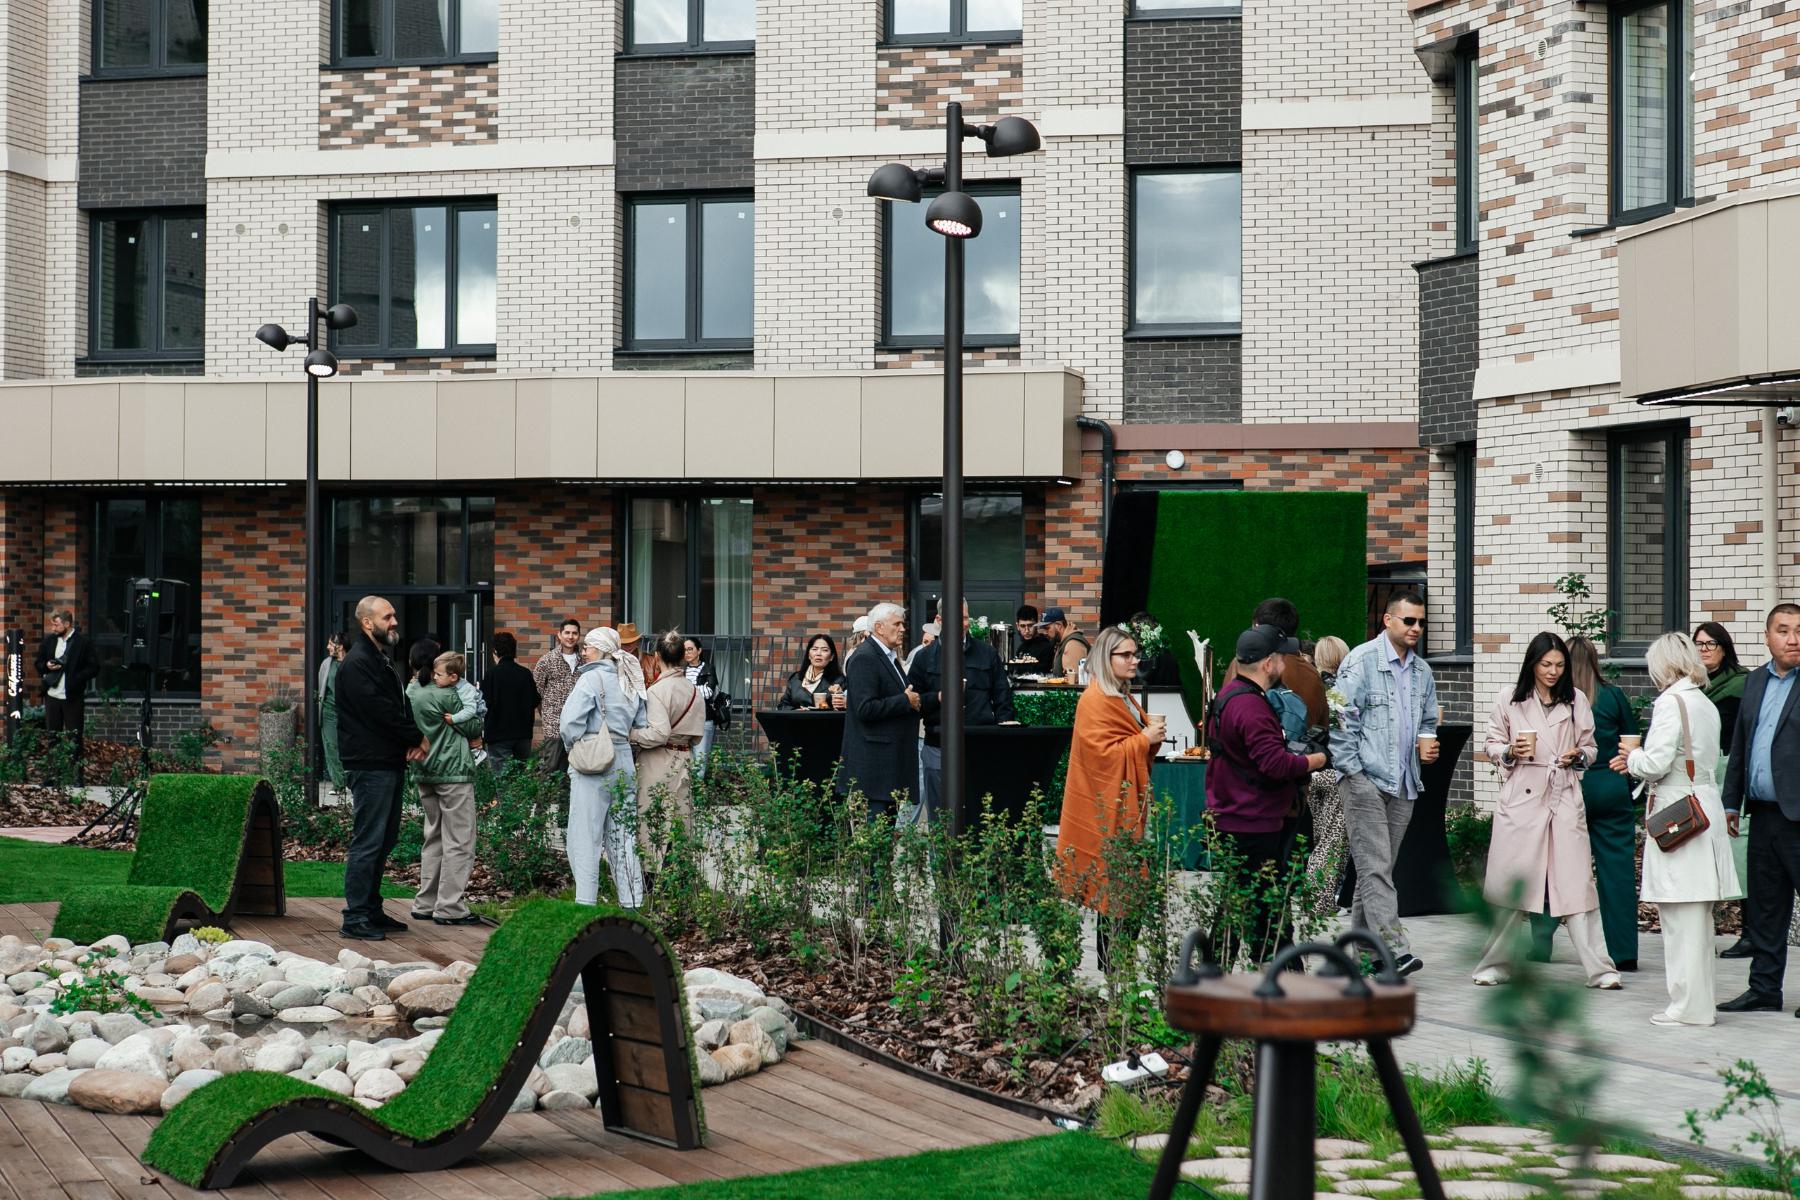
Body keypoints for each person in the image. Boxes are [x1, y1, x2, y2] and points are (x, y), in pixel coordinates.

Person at [1472, 631, 1620, 990]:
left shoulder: (1576, 699)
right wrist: (1510, 751)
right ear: (1532, 664)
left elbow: (1591, 747)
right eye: (1546, 664)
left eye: (1559, 665)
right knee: (1511, 885)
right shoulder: (1510, 698)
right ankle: (1495, 964)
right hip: (1522, 798)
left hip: (1563, 795)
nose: (1553, 672)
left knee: (1577, 884)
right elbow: (1491, 743)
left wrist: (1578, 755)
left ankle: (1601, 970)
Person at [1612, 633, 1737, 1025]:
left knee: (1680, 919)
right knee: (1697, 920)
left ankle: (1687, 1007)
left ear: (1665, 664)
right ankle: (1697, 1004)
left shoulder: (1671, 701)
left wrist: (1632, 756)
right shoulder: (1703, 701)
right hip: (1705, 806)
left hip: (1679, 813)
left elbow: (1656, 764)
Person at [1205, 624, 1329, 966]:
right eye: (1282, 657)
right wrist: (1316, 759)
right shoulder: (1252, 706)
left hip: (1235, 813)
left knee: (1245, 902)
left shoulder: (1228, 695)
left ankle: (1222, 973)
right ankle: (1277, 974)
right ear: (1268, 663)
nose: (1286, 663)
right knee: (1265, 904)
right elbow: (1274, 764)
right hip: (1253, 819)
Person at [1329, 591, 1438, 973]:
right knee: (1375, 867)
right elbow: (1339, 718)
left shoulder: (1423, 672)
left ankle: (1364, 957)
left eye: (1421, 622)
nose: (1416, 628)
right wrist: (1354, 774)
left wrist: (1427, 743)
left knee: (1375, 871)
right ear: (1388, 620)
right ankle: (1395, 949)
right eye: (1409, 620)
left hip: (1405, 782)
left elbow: (1428, 720)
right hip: (1365, 780)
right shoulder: (1360, 661)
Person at [1055, 624, 1164, 970]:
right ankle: (1112, 966)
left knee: (1127, 882)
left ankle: (1118, 964)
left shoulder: (1120, 695)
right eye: (1126, 655)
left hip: (1125, 802)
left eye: (1135, 654)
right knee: (1115, 883)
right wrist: (1144, 739)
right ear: (1107, 657)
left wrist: (1146, 739)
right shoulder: (1095, 700)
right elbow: (1103, 756)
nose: (1134, 660)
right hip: (1106, 806)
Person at [1529, 636, 1640, 970]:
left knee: (1552, 867)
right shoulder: (1613, 695)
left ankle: (1541, 943)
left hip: (1567, 789)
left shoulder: (1556, 700)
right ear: (1594, 660)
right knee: (1617, 872)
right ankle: (1623, 952)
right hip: (1610, 788)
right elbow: (1631, 741)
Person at [1717, 603, 1800, 1015]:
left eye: (1799, 631)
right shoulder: (1753, 682)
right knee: (1766, 907)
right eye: (1783, 630)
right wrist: (1731, 801)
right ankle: (1764, 988)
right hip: (1763, 813)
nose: (1793, 639)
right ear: (1767, 637)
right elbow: (1740, 745)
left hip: (1798, 815)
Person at [333, 596, 428, 941]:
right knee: (369, 840)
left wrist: (408, 741)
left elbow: (395, 706)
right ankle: (355, 917)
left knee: (384, 839)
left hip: (385, 760)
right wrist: (416, 737)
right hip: (370, 764)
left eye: (394, 616)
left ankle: (371, 909)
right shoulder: (358, 663)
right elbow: (379, 711)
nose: (394, 622)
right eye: (387, 617)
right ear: (367, 623)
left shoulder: (377, 658)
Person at [908, 599, 1019, 827]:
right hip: (937, 745)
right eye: (956, 617)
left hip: (981, 746)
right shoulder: (924, 658)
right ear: (939, 620)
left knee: (981, 815)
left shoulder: (987, 653)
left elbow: (1003, 699)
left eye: (966, 617)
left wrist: (1003, 736)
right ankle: (942, 852)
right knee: (941, 819)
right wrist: (938, 697)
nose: (963, 623)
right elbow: (913, 703)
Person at [560, 627, 648, 908]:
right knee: (624, 836)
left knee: (585, 836)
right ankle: (632, 902)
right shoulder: (630, 678)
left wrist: (574, 747)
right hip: (623, 759)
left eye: (587, 647)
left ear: (599, 649)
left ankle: (586, 901)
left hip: (593, 760)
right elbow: (641, 723)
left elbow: (569, 724)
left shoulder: (590, 679)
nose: (583, 651)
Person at [405, 650, 485, 926]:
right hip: (452, 771)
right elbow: (473, 726)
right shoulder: (448, 694)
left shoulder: (411, 691)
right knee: (459, 840)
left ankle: (425, 902)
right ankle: (450, 906)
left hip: (424, 770)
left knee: (434, 837)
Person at [631, 632, 708, 889]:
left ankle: (650, 884)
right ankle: (679, 879)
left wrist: (631, 735)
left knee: (652, 818)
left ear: (657, 657)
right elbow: (697, 736)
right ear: (683, 657)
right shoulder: (694, 690)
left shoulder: (656, 691)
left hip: (657, 758)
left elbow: (658, 733)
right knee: (680, 819)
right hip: (684, 756)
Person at [1697, 621, 1754, 958]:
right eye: (1699, 644)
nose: (1704, 650)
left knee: (1739, 851)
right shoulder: (1694, 686)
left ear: (1724, 647)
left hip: (1731, 772)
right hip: (1702, 775)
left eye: (1711, 644)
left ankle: (1751, 932)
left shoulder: (1741, 684)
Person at [837, 603, 920, 818]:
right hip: (874, 768)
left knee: (884, 831)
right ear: (879, 627)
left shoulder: (888, 656)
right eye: (897, 624)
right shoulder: (865, 657)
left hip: (888, 766)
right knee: (876, 830)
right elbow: (864, 708)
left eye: (903, 624)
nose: (903, 629)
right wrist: (904, 700)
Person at [1304, 635, 1351, 905]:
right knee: (1332, 840)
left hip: (1311, 768)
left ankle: (1319, 894)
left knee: (1320, 835)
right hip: (1335, 770)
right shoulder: (1339, 690)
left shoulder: (1309, 686)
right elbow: (1346, 732)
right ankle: (1319, 899)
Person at [1252, 598, 1329, 732]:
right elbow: (1323, 728)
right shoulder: (1312, 674)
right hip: (1303, 745)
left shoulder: (1246, 667)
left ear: (1257, 627)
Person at [35, 609, 97, 764]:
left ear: (67, 624)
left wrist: (76, 678)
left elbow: (94, 667)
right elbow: (38, 663)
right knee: (52, 737)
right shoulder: (49, 641)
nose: (53, 628)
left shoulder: (83, 642)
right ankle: (53, 771)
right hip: (52, 695)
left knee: (75, 737)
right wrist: (47, 665)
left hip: (72, 696)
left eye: (56, 625)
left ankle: (75, 773)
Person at [480, 631, 540, 767]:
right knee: (519, 775)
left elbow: (483, 704)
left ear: (495, 651)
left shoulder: (492, 674)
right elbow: (535, 700)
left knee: (501, 775)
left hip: (498, 735)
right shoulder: (525, 673)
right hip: (523, 734)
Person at [533, 618, 582, 768]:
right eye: (567, 633)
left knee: (576, 767)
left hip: (578, 723)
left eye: (574, 633)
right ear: (559, 635)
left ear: (579, 636)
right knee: (552, 767)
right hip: (555, 725)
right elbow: (536, 692)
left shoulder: (584, 661)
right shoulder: (547, 660)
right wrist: (547, 715)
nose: (570, 636)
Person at [681, 636, 721, 777]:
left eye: (690, 649)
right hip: (685, 721)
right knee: (685, 760)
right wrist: (697, 689)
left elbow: (708, 692)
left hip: (704, 719)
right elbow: (678, 694)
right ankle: (687, 789)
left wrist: (687, 688)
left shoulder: (708, 668)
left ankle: (698, 790)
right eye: (684, 650)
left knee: (700, 760)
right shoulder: (682, 671)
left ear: (699, 651)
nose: (687, 653)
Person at [780, 634, 847, 711]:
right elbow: (782, 706)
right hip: (798, 718)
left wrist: (839, 698)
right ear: (809, 655)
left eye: (824, 650)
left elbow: (846, 709)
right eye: (814, 649)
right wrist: (795, 711)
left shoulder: (839, 681)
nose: (818, 653)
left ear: (831, 657)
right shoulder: (796, 678)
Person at [317, 633, 349, 792]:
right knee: (331, 746)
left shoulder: (352, 663)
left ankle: (352, 780)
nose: (328, 647)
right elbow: (321, 688)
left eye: (331, 644)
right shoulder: (327, 663)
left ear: (340, 646)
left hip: (348, 712)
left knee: (349, 746)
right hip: (329, 711)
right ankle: (339, 784)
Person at [1043, 607, 1089, 678]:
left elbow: (1074, 681)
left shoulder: (1073, 644)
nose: (1045, 632)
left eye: (1047, 628)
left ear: (1059, 625)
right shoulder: (1063, 641)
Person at [1014, 605, 1054, 671]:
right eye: (1022, 626)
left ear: (1037, 624)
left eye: (1030, 625)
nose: (1027, 630)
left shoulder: (1046, 647)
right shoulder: (1021, 648)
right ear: (1017, 626)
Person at [621, 622, 659, 687]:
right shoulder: (613, 661)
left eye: (631, 642)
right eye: (624, 644)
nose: (628, 646)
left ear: (636, 641)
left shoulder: (652, 660)